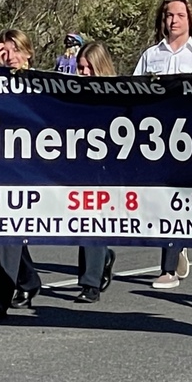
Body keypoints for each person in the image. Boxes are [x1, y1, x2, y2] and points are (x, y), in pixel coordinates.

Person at [134, 0, 192, 288]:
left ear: (189, 19)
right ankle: (176, 244)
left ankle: (167, 267)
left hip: (188, 140)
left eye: (180, 15)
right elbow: (135, 93)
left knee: (176, 199)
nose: (173, 21)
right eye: (169, 15)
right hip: (155, 138)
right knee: (160, 200)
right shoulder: (150, 55)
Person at [0, 29, 44, 318]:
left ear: (28, 52)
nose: (11, 58)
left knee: (9, 227)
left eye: (16, 50)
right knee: (5, 227)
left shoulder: (42, 83)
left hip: (32, 166)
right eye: (4, 51)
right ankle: (28, 280)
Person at [71, 41, 118, 303]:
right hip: (80, 163)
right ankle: (99, 263)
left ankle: (90, 283)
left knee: (95, 220)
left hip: (107, 165)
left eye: (89, 68)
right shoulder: (71, 91)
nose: (84, 73)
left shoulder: (116, 92)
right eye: (80, 68)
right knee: (83, 221)